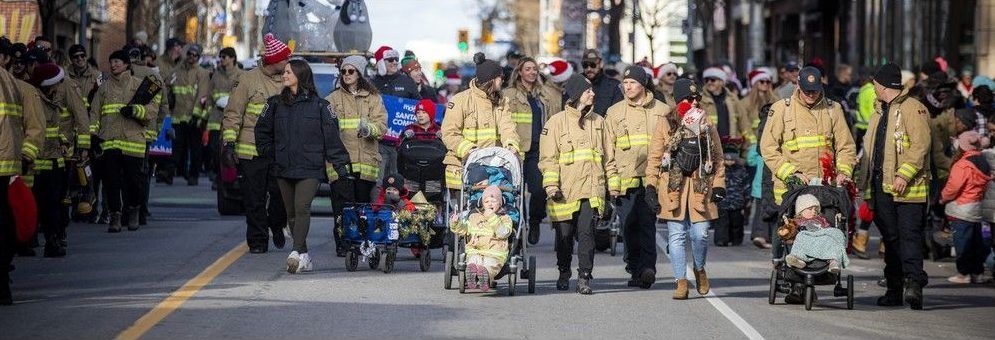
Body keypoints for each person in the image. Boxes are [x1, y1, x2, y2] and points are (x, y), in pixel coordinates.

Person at [255, 59, 352, 274]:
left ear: (301, 75)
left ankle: (295, 252)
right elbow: (261, 131)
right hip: (284, 168)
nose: (284, 74)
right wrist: (272, 153)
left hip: (310, 168)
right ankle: (305, 256)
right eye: (285, 72)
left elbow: (332, 139)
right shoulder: (273, 104)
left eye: (289, 72)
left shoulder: (321, 106)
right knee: (291, 213)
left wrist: (341, 166)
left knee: (302, 208)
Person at [859, 62, 931, 310]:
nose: (874, 88)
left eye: (875, 84)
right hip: (881, 186)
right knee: (890, 239)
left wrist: (904, 175)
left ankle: (914, 285)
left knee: (909, 237)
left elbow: (920, 147)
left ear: (881, 84)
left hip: (908, 189)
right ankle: (893, 289)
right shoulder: (878, 110)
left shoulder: (913, 109)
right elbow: (870, 148)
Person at [645, 78, 725, 300]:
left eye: (696, 98)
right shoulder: (666, 123)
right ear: (679, 101)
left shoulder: (706, 123)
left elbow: (717, 157)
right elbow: (654, 157)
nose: (693, 102)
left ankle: (699, 269)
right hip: (673, 186)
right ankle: (680, 280)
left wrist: (719, 185)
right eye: (689, 99)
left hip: (701, 184)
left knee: (700, 234)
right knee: (677, 235)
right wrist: (650, 186)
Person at [539, 74, 617, 294]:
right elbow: (548, 159)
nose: (593, 93)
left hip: (591, 189)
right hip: (564, 190)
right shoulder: (555, 123)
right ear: (576, 95)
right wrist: (552, 186)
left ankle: (584, 277)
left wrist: (613, 186)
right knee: (564, 237)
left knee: (587, 234)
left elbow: (608, 158)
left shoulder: (599, 123)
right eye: (587, 91)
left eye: (592, 90)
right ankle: (564, 271)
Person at [221, 33, 290, 254]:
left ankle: (277, 223)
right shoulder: (247, 80)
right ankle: (258, 241)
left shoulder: (289, 80)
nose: (288, 63)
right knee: (254, 198)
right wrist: (229, 144)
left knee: (282, 196)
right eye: (285, 59)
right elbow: (233, 114)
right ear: (274, 60)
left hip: (280, 150)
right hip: (251, 151)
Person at [604, 66, 669, 289]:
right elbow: (608, 149)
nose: (627, 86)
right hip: (625, 180)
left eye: (632, 82)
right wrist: (611, 180)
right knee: (629, 225)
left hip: (653, 181)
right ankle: (634, 267)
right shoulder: (614, 112)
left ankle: (648, 268)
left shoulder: (662, 111)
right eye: (625, 82)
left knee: (647, 224)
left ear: (643, 85)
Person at [760, 66, 856, 206]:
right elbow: (768, 148)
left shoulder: (833, 109)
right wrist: (791, 174)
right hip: (791, 191)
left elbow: (846, 146)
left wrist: (843, 172)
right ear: (798, 85)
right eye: (807, 91)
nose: (811, 95)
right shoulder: (781, 109)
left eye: (815, 91)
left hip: (825, 189)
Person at [325, 54, 388, 257]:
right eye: (343, 71)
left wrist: (369, 129)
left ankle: (361, 242)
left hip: (366, 162)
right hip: (341, 163)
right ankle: (343, 244)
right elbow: (326, 129)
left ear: (359, 73)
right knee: (342, 207)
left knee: (362, 207)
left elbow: (382, 126)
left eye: (351, 71)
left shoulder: (373, 98)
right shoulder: (332, 99)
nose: (346, 75)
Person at [90, 50, 159, 232]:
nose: (113, 65)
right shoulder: (104, 88)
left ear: (127, 64)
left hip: (133, 142)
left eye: (118, 61)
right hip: (110, 141)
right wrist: (93, 136)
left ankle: (134, 211)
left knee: (134, 182)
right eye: (111, 61)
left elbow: (152, 112)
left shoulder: (139, 86)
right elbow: (95, 113)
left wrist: (135, 111)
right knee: (112, 182)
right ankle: (115, 216)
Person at [30, 62, 90, 256]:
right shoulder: (34, 101)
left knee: (56, 203)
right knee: (40, 204)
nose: (58, 88)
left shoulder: (51, 99)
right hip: (36, 162)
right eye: (55, 84)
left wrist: (66, 143)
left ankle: (53, 240)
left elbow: (58, 129)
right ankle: (34, 240)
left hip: (56, 159)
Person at [502, 56, 563, 245]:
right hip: (517, 150)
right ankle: (520, 226)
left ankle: (535, 220)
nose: (532, 72)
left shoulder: (544, 94)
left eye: (534, 69)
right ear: (519, 72)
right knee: (517, 191)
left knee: (538, 190)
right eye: (527, 69)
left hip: (539, 149)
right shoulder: (509, 94)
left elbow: (556, 109)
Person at [0, 57, 46, 305]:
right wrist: (27, 154)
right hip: (10, 168)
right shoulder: (23, 88)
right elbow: (36, 127)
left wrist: (27, 154)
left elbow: (34, 126)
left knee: (6, 224)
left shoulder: (21, 88)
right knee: (6, 226)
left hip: (7, 170)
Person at [440, 52, 520, 191]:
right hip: (464, 165)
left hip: (495, 167)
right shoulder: (460, 101)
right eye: (499, 78)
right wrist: (468, 149)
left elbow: (507, 127)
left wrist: (511, 144)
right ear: (490, 80)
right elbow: (449, 133)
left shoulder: (501, 101)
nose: (502, 81)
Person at [940, 130, 992, 284]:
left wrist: (943, 198)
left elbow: (953, 187)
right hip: (977, 207)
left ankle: (963, 274)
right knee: (976, 242)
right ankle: (977, 272)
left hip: (961, 209)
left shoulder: (963, 164)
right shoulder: (983, 161)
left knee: (962, 242)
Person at [448, 185, 514, 292]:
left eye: (493, 201)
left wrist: (492, 218)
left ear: (500, 203)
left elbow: (503, 233)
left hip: (494, 252)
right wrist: (455, 223)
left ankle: (485, 277)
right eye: (487, 201)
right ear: (482, 204)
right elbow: (464, 230)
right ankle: (472, 276)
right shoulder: (474, 217)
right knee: (473, 260)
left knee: (489, 264)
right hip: (475, 250)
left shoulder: (505, 219)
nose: (490, 204)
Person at [167, 44, 210, 186]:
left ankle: (193, 175)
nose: (192, 57)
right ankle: (171, 171)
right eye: (190, 54)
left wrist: (197, 116)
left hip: (193, 118)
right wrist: (169, 97)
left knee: (195, 149)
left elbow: (202, 95)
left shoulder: (202, 73)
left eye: (195, 55)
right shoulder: (176, 71)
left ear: (198, 57)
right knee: (176, 146)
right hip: (178, 116)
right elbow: (168, 88)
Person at [783, 194, 849, 273]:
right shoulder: (796, 221)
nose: (814, 211)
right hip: (806, 242)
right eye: (810, 209)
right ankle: (798, 260)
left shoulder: (821, 220)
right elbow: (790, 230)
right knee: (800, 237)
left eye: (816, 210)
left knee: (832, 237)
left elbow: (828, 230)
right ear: (801, 211)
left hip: (820, 240)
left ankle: (834, 262)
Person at [205, 47, 242, 188]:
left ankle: (226, 178)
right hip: (216, 118)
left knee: (228, 151)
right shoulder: (216, 75)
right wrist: (209, 113)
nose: (222, 59)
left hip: (232, 120)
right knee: (214, 149)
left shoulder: (240, 75)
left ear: (232, 58)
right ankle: (216, 175)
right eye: (221, 57)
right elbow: (209, 96)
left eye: (225, 57)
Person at [713, 137, 750, 247]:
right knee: (721, 223)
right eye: (727, 159)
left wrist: (748, 199)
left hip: (737, 202)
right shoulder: (719, 170)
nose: (729, 162)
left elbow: (746, 185)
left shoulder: (741, 170)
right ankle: (721, 239)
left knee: (736, 222)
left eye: (732, 159)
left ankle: (736, 239)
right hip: (722, 202)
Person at [700, 66, 748, 141]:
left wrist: (748, 145)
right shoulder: (700, 99)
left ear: (722, 81)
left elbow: (743, 121)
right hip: (710, 146)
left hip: (731, 144)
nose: (709, 82)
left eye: (713, 80)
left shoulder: (732, 98)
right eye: (706, 80)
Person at [580, 49, 623, 116]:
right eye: (585, 65)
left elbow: (618, 113)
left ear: (601, 64)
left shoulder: (613, 86)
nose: (589, 69)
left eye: (593, 65)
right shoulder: (577, 84)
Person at [741, 69, 776, 139]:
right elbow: (744, 123)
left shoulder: (775, 100)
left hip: (772, 138)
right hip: (755, 139)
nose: (765, 84)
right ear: (755, 83)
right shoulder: (745, 102)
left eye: (768, 82)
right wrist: (752, 142)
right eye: (762, 81)